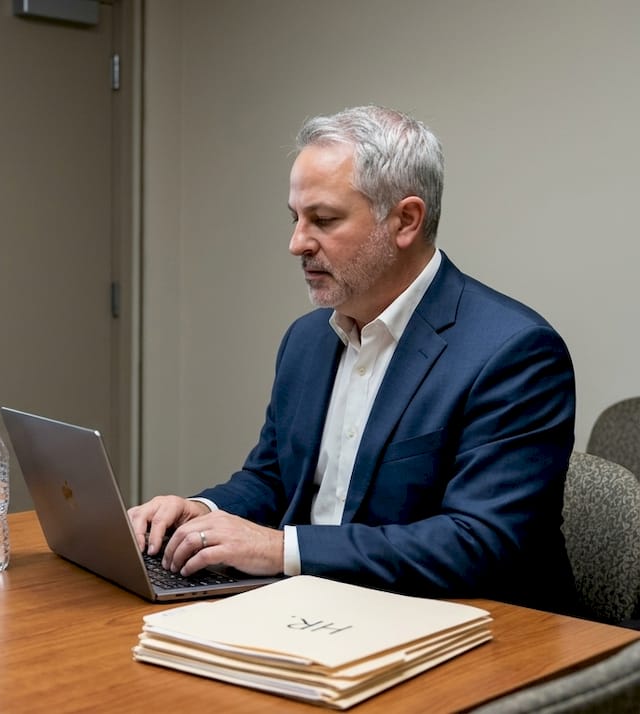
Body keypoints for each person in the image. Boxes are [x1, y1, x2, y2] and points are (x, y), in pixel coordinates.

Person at [127, 106, 577, 613]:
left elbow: (477, 542)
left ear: (405, 220)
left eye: (323, 220)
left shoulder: (514, 351)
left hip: (474, 629)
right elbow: (273, 479)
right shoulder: (306, 339)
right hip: (321, 608)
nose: (297, 242)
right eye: (295, 218)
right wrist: (200, 512)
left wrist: (282, 549)